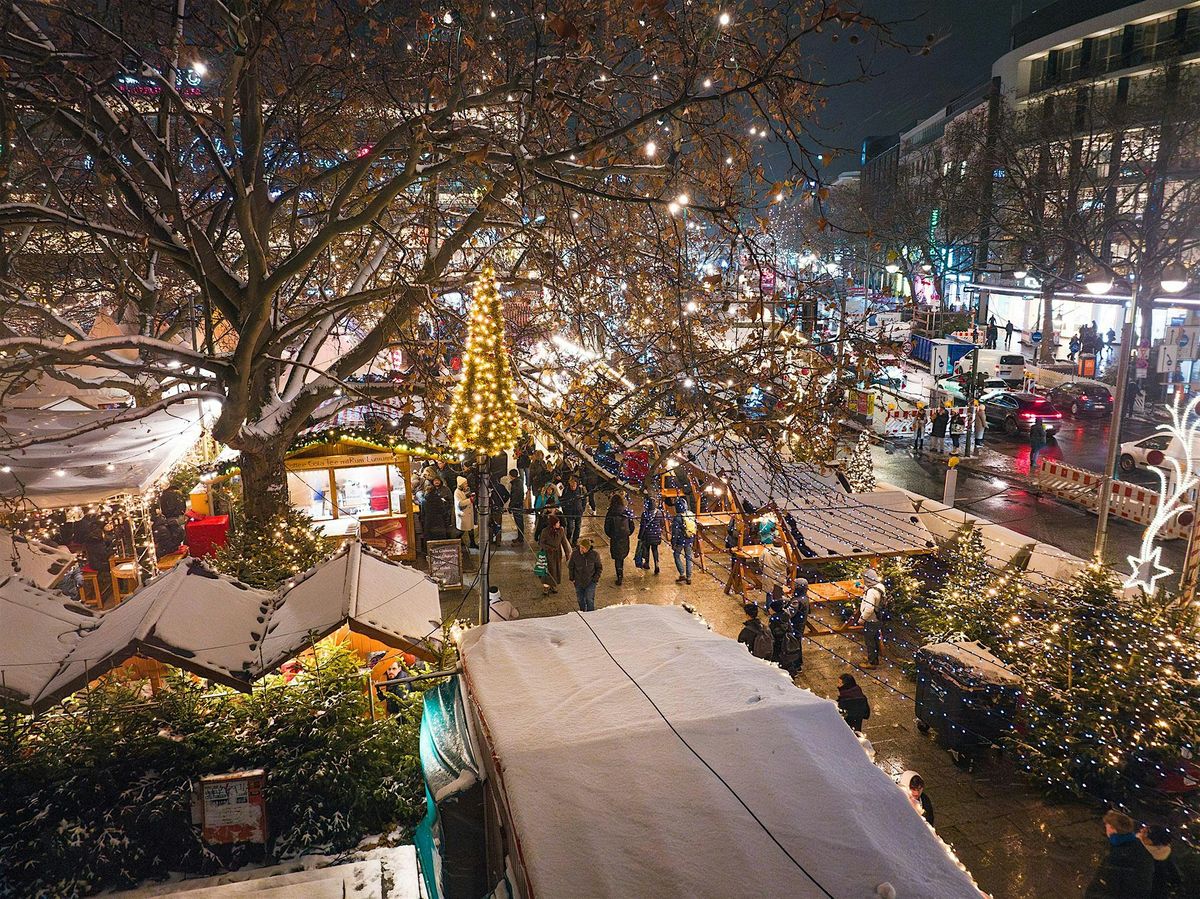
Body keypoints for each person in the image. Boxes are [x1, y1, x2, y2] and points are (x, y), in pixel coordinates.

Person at [1085, 810, 1154, 899]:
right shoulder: (1137, 845)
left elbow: (1109, 884)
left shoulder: (1118, 855)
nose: (1105, 827)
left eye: (1107, 825)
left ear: (1113, 828)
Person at [1138, 825, 1190, 899]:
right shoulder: (1165, 853)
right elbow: (1174, 872)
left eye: (1145, 832)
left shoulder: (1140, 850)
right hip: (1158, 890)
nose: (1141, 832)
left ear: (1150, 839)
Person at [603, 493, 635, 585]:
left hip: (615, 538)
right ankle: (621, 572)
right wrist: (628, 533)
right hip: (624, 537)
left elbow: (607, 528)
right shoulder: (626, 511)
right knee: (621, 557)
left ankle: (619, 576)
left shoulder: (610, 512)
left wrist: (611, 535)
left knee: (617, 558)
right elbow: (632, 525)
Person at [767, 594, 801, 676]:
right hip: (786, 639)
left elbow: (773, 631)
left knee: (779, 657)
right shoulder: (785, 615)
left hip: (778, 641)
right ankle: (793, 671)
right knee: (787, 658)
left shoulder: (774, 618)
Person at [537, 511, 569, 595]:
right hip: (547, 554)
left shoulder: (561, 530)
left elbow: (564, 542)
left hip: (557, 554)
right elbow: (541, 543)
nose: (559, 524)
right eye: (557, 522)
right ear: (553, 524)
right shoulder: (545, 531)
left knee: (556, 570)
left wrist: (567, 554)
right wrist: (548, 548)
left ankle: (553, 585)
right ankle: (546, 587)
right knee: (548, 571)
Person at [568, 537, 602, 612]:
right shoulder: (575, 554)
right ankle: (583, 611)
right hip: (578, 581)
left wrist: (595, 579)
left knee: (589, 599)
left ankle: (590, 614)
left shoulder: (594, 555)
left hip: (590, 582)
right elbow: (571, 566)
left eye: (583, 548)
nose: (581, 549)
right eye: (581, 547)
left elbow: (599, 568)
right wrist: (572, 578)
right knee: (580, 599)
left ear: (588, 548)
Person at [859, 578, 886, 667]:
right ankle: (874, 658)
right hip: (878, 619)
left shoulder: (871, 592)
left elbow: (869, 609)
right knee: (875, 639)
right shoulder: (880, 586)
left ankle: (872, 663)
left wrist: (862, 619)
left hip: (871, 620)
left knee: (870, 642)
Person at [635, 494, 665, 574]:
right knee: (655, 550)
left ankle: (647, 563)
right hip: (656, 535)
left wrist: (640, 536)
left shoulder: (644, 514)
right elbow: (662, 524)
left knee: (647, 549)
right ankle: (656, 564)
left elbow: (642, 526)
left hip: (647, 536)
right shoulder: (659, 513)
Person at [420, 478, 454, 546]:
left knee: (430, 539)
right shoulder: (439, 500)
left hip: (428, 522)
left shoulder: (424, 501)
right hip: (439, 522)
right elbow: (443, 511)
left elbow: (423, 513)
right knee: (439, 539)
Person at [670, 498, 694, 585]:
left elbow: (675, 533)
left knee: (676, 555)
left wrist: (673, 543)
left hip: (680, 541)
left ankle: (682, 574)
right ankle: (689, 577)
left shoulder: (677, 518)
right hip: (689, 539)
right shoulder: (690, 514)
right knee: (689, 558)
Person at [559, 475, 584, 545]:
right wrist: (565, 510)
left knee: (577, 527)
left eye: (574, 485)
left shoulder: (581, 490)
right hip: (569, 512)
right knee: (570, 527)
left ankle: (574, 541)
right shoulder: (566, 490)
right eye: (571, 485)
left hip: (578, 512)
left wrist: (582, 509)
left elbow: (584, 500)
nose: (573, 487)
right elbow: (562, 501)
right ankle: (568, 539)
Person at [454, 477, 477, 551]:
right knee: (462, 530)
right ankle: (455, 542)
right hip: (463, 513)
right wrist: (470, 500)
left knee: (471, 529)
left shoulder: (466, 489)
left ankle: (472, 543)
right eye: (465, 483)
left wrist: (471, 495)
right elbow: (460, 503)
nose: (467, 484)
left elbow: (468, 496)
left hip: (469, 513)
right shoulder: (457, 492)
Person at [507, 468, 527, 543]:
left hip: (517, 506)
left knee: (519, 522)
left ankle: (520, 538)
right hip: (518, 504)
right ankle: (519, 537)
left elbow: (515, 496)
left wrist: (510, 506)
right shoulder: (519, 482)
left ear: (511, 476)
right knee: (519, 522)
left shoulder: (516, 484)